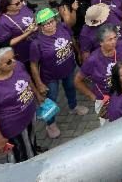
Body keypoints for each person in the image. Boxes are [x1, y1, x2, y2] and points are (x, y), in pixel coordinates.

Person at [28, 8, 87, 140]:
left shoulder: (63, 27)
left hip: (68, 68)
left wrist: (78, 53)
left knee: (71, 88)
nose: (50, 25)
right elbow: (33, 65)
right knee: (51, 99)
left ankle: (73, 106)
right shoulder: (36, 43)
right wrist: (39, 83)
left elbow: (71, 40)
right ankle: (50, 123)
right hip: (50, 76)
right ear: (40, 26)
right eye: (46, 24)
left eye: (52, 21)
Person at [0, 47, 41, 163]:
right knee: (19, 153)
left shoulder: (18, 66)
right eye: (9, 61)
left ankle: (33, 153)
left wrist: (37, 95)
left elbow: (28, 80)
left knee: (31, 139)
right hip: (14, 127)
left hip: (28, 116)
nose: (14, 62)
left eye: (14, 58)